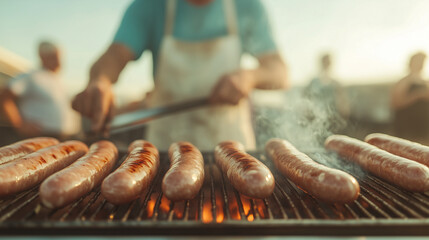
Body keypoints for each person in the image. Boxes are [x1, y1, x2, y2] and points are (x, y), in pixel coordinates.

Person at [72, 0, 288, 151]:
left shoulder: (248, 6)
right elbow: (115, 55)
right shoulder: (148, 6)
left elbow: (279, 71)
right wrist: (100, 80)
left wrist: (250, 77)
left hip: (232, 144)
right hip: (165, 146)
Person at [0, 41, 80, 140]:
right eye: (54, 57)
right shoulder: (31, 76)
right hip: (40, 137)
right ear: (43, 57)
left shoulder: (58, 80)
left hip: (65, 137)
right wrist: (19, 124)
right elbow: (5, 97)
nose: (59, 61)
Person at [391, 52, 429, 144]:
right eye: (419, 61)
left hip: (423, 127)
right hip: (409, 128)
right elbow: (396, 103)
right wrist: (417, 95)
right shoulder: (404, 81)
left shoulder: (424, 81)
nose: (421, 64)